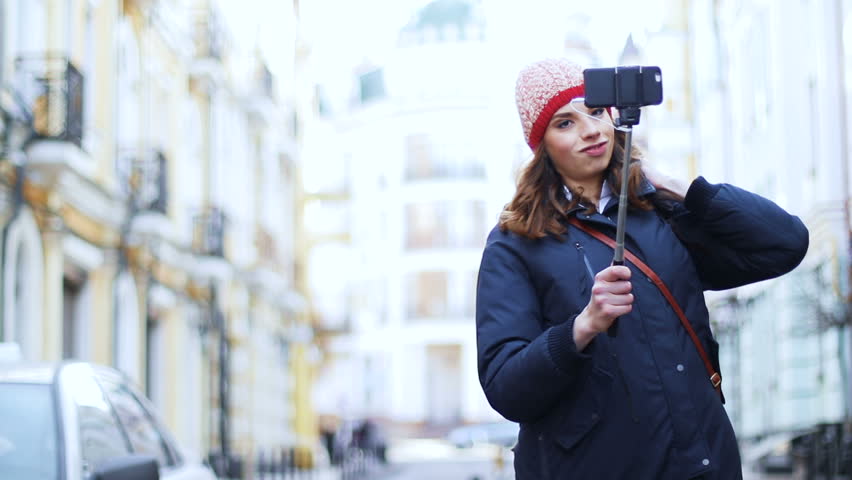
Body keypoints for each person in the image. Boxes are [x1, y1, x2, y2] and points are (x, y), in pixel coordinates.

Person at [475, 58, 809, 479]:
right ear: (541, 146)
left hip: (703, 464)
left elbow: (785, 244)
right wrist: (583, 326)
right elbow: (507, 387)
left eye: (595, 112)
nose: (592, 130)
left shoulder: (662, 213)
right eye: (565, 122)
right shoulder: (516, 242)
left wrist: (675, 185)